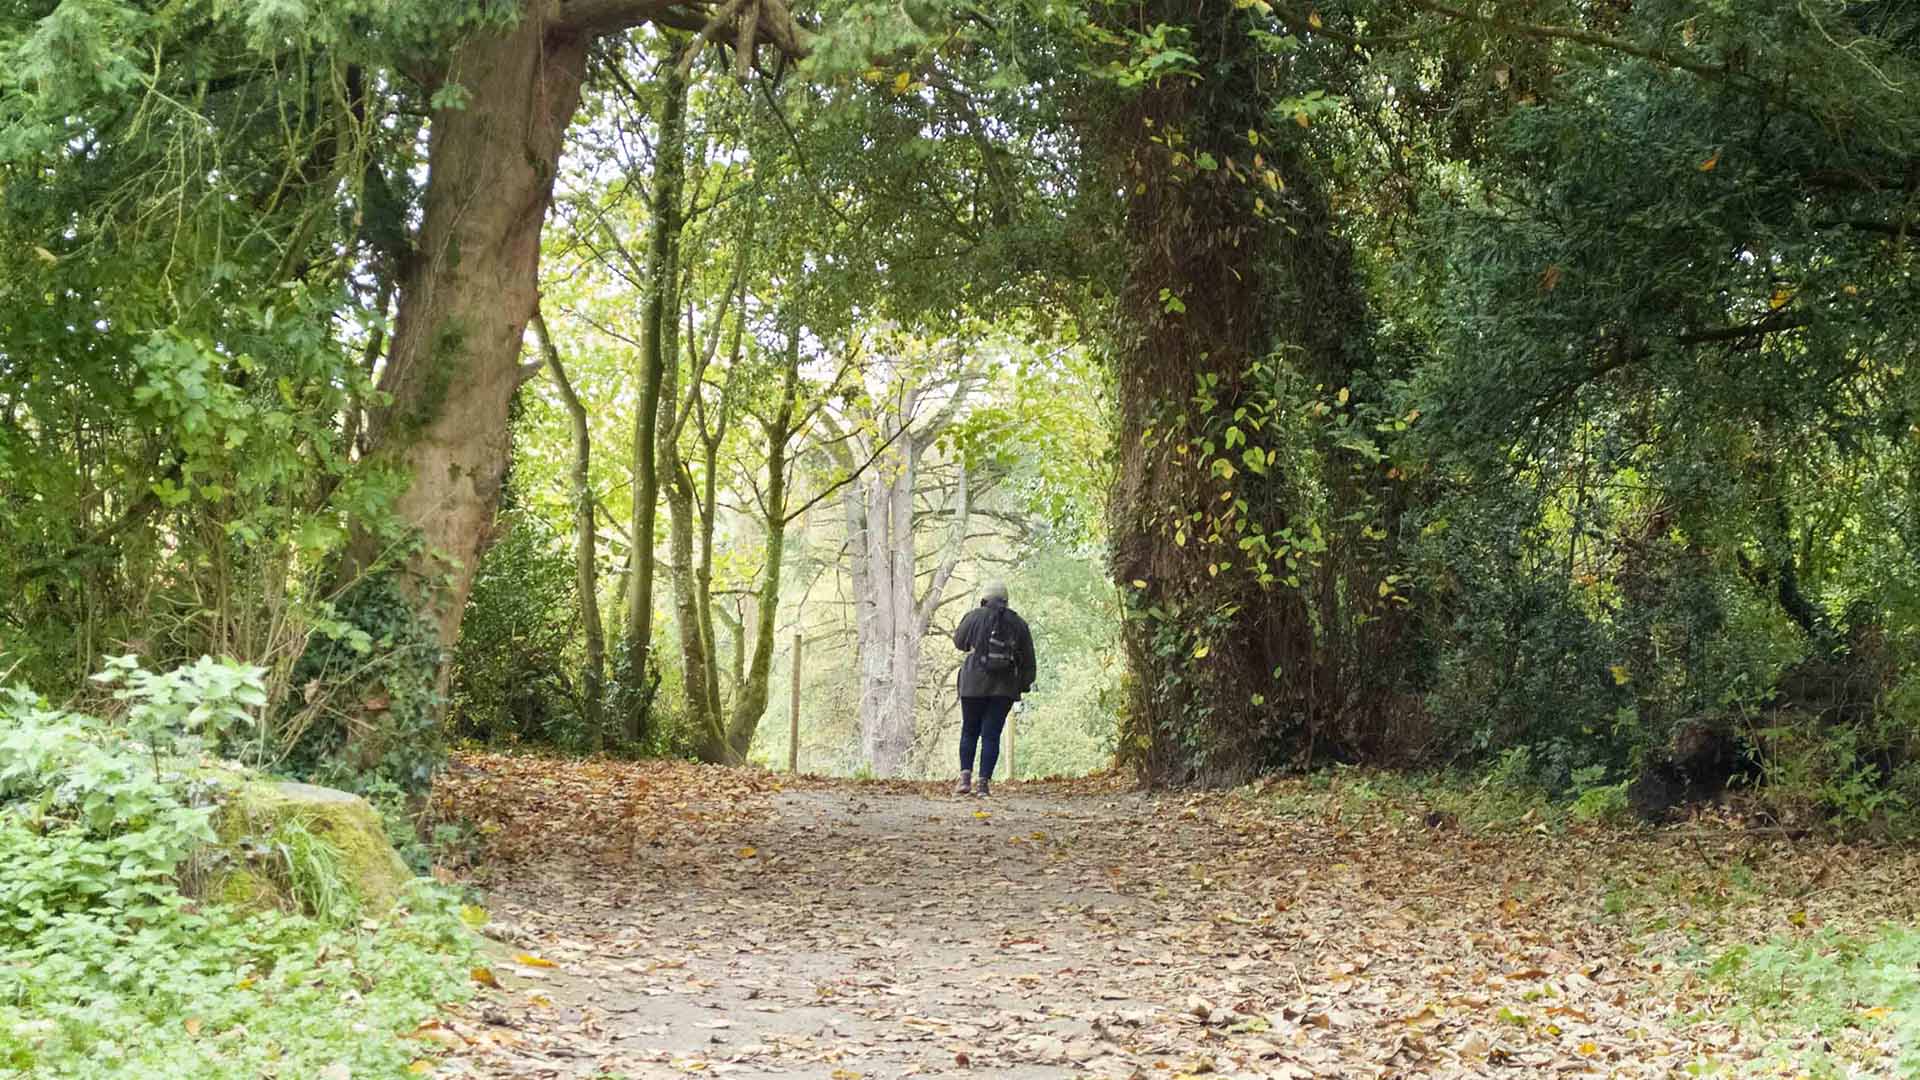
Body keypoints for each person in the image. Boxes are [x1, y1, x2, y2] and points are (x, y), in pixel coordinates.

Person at [950, 580, 1036, 797]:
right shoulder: (1018, 624)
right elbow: (1028, 660)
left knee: (969, 730)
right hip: (1004, 687)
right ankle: (983, 785)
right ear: (1006, 601)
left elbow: (959, 642)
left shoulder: (973, 617)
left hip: (972, 684)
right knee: (991, 735)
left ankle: (964, 779)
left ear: (984, 599)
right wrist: (1023, 684)